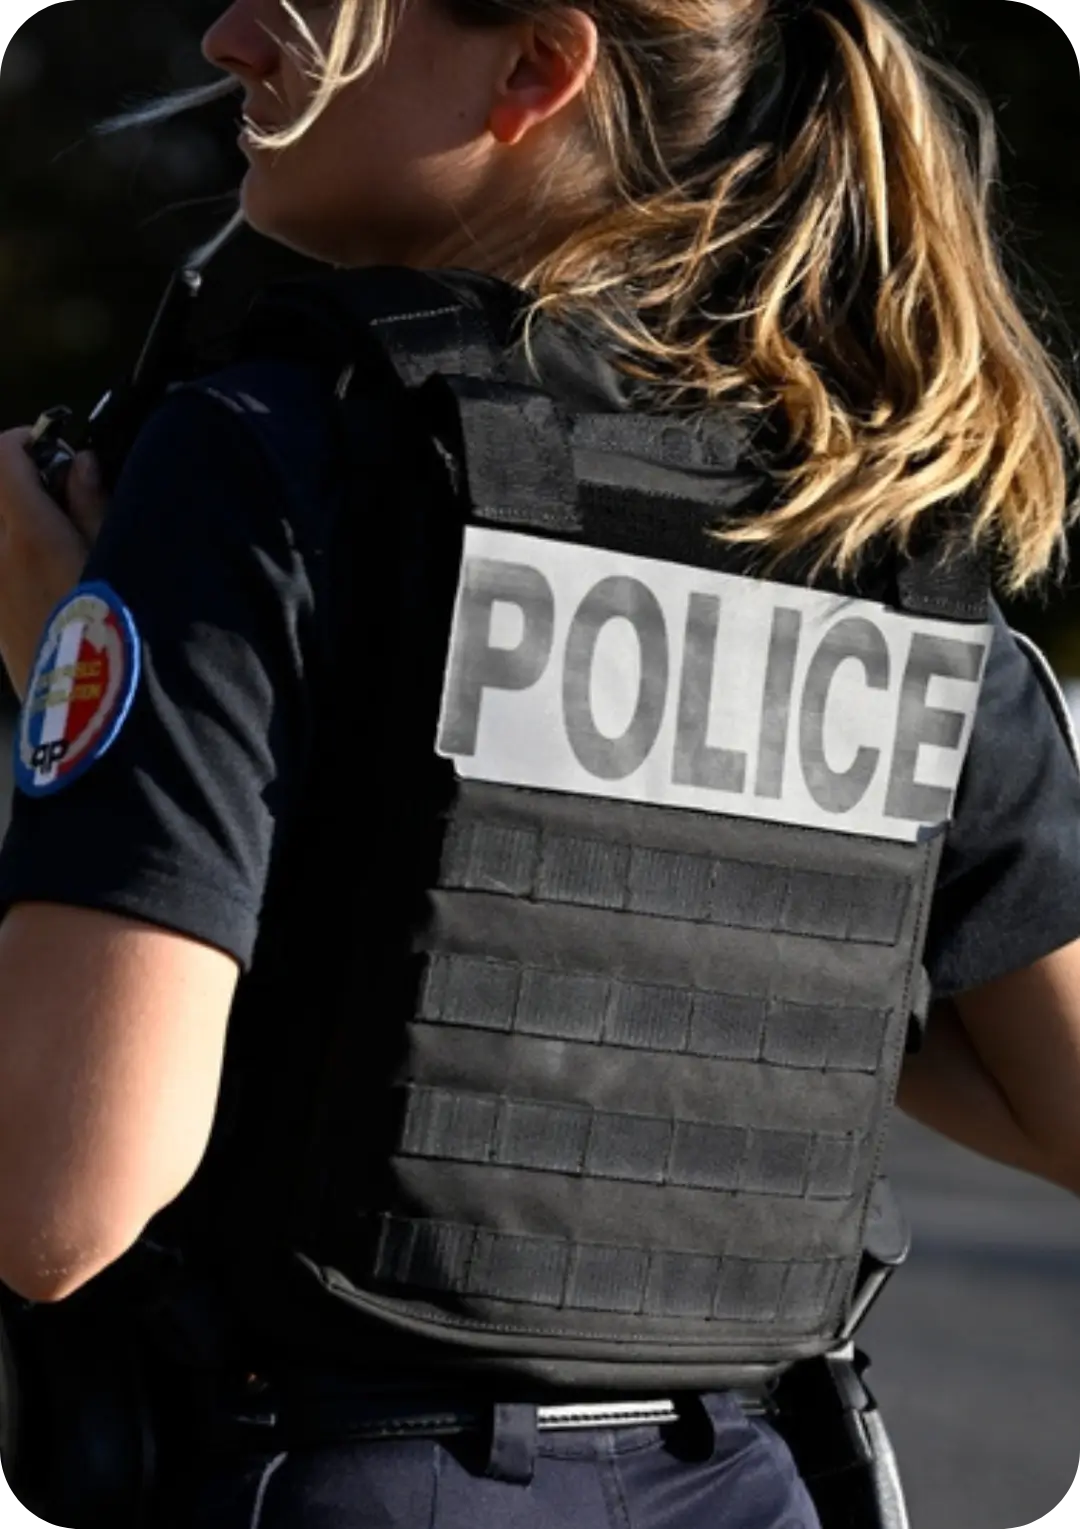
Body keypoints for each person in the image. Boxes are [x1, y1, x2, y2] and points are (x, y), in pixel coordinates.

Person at [0, 0, 1079, 1525]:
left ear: (533, 68)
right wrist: (694, 913)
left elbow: (60, 1207)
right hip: (760, 1484)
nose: (231, 40)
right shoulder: (876, 521)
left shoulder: (263, 453)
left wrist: (71, 659)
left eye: (308, 6)